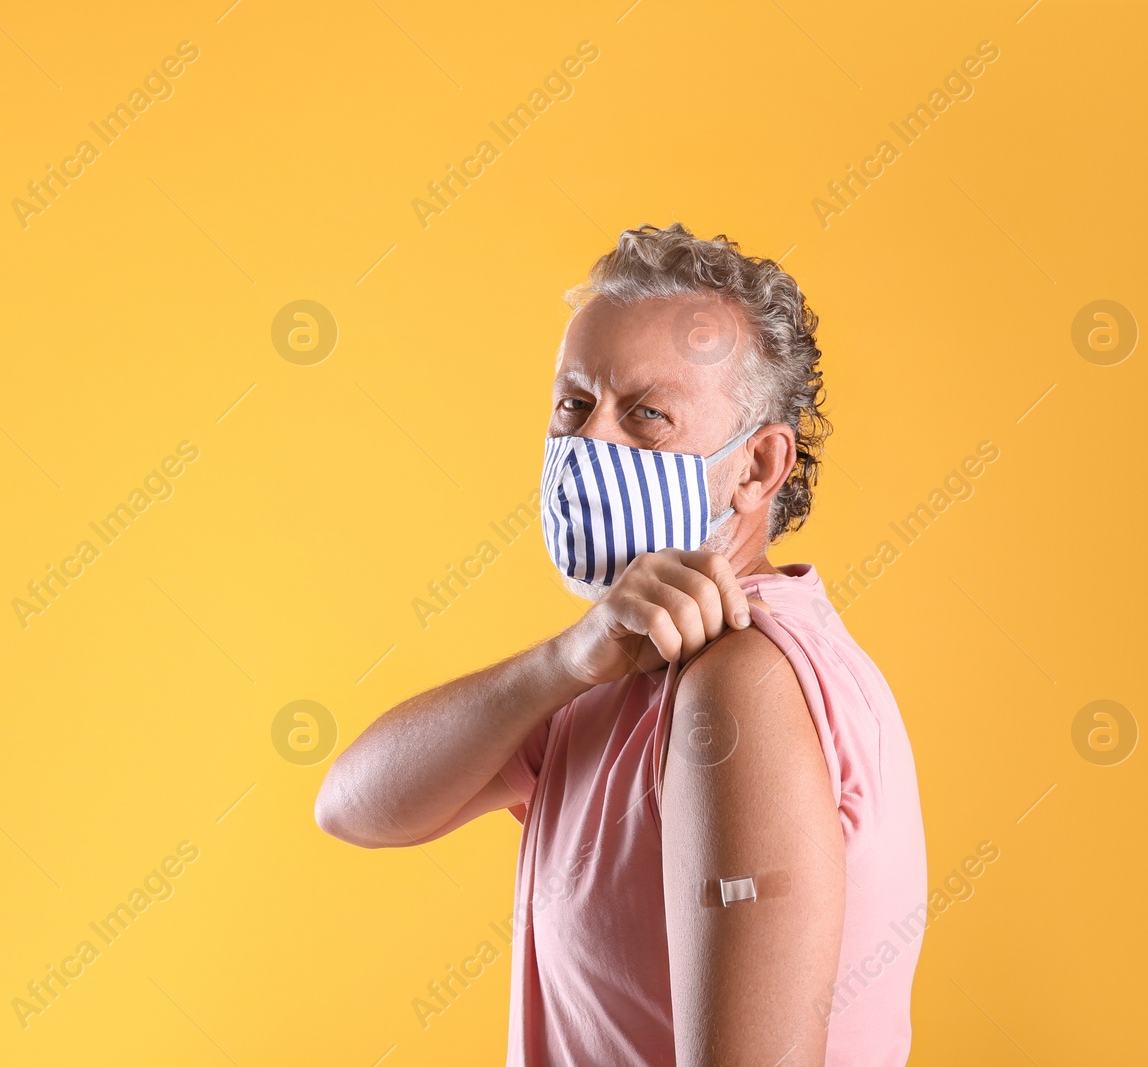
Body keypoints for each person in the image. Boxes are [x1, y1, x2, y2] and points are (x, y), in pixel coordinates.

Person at [316, 223, 927, 1066]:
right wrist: (563, 663)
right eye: (575, 403)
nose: (590, 444)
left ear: (756, 468)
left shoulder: (738, 681)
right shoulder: (621, 664)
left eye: (646, 416)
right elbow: (352, 806)